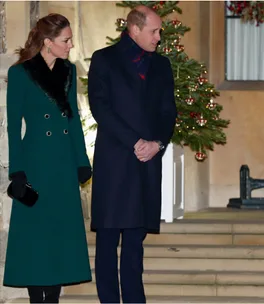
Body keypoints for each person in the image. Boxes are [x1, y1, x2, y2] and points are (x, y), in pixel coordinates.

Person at [88, 5, 177, 304]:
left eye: (160, 31)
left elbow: (168, 113)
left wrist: (157, 144)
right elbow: (101, 108)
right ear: (134, 29)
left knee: (135, 244)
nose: (159, 37)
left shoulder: (162, 65)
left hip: (147, 163)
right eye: (154, 31)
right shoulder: (104, 59)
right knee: (108, 241)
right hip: (115, 162)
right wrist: (135, 141)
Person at [3, 13, 92, 303]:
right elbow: (13, 126)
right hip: (35, 164)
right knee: (34, 238)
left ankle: (52, 299)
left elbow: (74, 120)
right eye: (65, 40)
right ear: (48, 42)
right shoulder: (21, 73)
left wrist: (81, 161)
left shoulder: (69, 72)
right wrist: (16, 171)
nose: (70, 45)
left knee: (60, 237)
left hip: (64, 165)